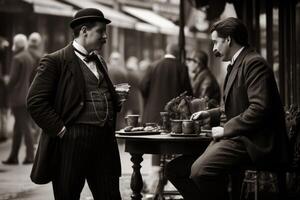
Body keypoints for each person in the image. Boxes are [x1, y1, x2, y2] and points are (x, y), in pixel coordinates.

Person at [166, 17, 289, 200]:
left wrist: (225, 129)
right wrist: (209, 113)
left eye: (216, 42)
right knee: (174, 169)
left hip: (254, 142)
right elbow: (236, 107)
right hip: (240, 137)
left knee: (200, 171)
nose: (214, 48)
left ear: (229, 40)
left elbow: (259, 108)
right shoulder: (239, 63)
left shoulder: (254, 63)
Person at [27, 8, 127, 200]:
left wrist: (114, 99)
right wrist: (61, 130)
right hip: (71, 142)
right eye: (101, 31)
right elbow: (35, 101)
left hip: (104, 142)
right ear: (84, 31)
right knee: (67, 195)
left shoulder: (100, 61)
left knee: (111, 195)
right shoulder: (55, 61)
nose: (105, 37)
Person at [140, 43, 193, 194]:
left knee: (156, 148)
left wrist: (151, 100)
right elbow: (188, 92)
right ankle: (160, 182)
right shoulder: (181, 67)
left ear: (166, 51)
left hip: (153, 114)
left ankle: (156, 184)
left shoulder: (153, 65)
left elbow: (143, 86)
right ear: (178, 53)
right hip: (174, 116)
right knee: (171, 148)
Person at [2, 34, 35, 165]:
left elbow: (12, 80)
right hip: (26, 95)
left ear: (17, 44)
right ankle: (14, 156)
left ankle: (30, 156)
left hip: (18, 98)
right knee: (18, 128)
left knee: (24, 126)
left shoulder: (17, 58)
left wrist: (6, 83)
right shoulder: (28, 57)